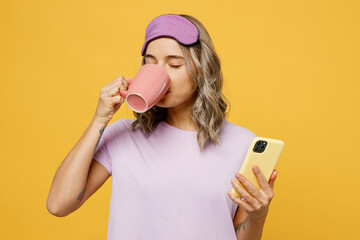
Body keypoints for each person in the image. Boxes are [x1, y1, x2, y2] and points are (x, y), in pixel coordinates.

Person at [46, 13, 278, 240]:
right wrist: (100, 118)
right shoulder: (123, 136)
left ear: (202, 70)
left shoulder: (243, 143)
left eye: (174, 64)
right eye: (150, 63)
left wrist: (257, 217)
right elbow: (59, 205)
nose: (160, 74)